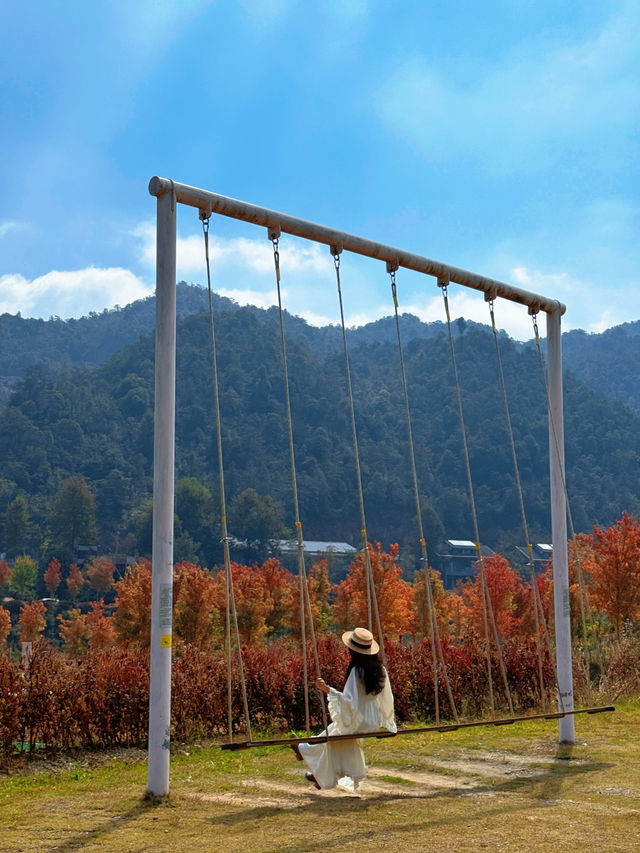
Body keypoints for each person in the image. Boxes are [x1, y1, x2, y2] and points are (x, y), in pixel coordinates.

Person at [292, 626, 396, 791]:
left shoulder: (357, 671)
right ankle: (314, 769)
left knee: (334, 735)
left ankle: (304, 750)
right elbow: (387, 698)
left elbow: (349, 702)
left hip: (359, 721)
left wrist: (328, 689)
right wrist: (388, 722)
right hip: (372, 722)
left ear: (353, 651)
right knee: (334, 735)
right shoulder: (381, 671)